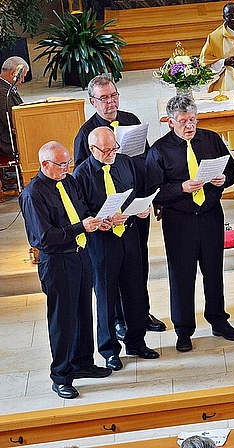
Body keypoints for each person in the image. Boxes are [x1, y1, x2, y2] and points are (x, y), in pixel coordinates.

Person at [147, 95, 234, 352]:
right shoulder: (159, 150)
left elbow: (232, 169)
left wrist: (225, 179)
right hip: (179, 221)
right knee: (182, 276)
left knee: (213, 271)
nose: (189, 126)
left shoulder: (210, 139)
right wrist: (181, 187)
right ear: (170, 122)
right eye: (183, 121)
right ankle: (183, 330)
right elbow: (153, 191)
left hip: (211, 215)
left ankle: (218, 321)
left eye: (193, 120)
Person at [74, 74, 167, 337]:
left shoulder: (131, 120)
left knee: (139, 264)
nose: (110, 102)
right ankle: (116, 318)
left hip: (135, 208)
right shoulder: (86, 134)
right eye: (104, 98)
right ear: (93, 102)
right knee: (109, 272)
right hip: (107, 217)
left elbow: (148, 161)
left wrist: (152, 199)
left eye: (114, 95)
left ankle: (140, 312)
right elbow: (82, 180)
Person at [19, 141, 112, 399]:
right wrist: (81, 227)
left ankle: (83, 362)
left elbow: (81, 211)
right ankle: (61, 375)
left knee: (84, 312)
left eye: (68, 162)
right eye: (61, 164)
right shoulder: (33, 194)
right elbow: (43, 238)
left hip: (81, 255)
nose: (67, 168)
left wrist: (97, 222)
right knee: (63, 320)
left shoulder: (68, 182)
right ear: (44, 164)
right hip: (57, 262)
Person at [73, 127, 160, 371]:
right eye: (107, 150)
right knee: (106, 297)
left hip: (129, 235)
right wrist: (100, 221)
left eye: (114, 147)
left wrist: (141, 209)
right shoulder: (81, 175)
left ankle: (136, 342)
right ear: (92, 149)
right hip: (102, 243)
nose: (112, 153)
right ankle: (109, 350)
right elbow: (82, 212)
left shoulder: (125, 163)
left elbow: (135, 193)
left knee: (135, 291)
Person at [0, 56, 28, 202]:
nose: (22, 81)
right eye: (21, 77)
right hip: (6, 143)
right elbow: (13, 122)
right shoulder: (2, 92)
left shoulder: (6, 88)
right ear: (13, 74)